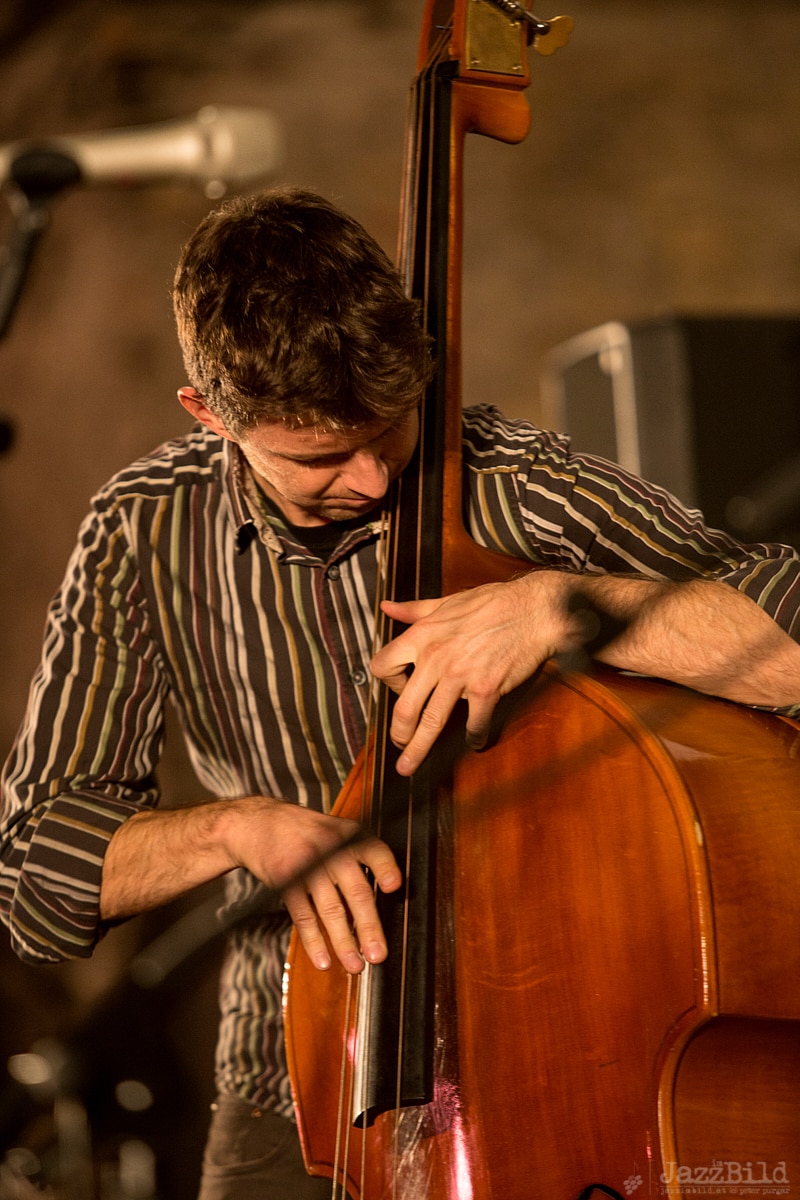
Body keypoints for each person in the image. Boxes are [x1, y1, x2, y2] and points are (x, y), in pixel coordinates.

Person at [2, 186, 800, 1200]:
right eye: (322, 455)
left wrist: (562, 605)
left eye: (388, 428)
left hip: (565, 1049)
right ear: (209, 416)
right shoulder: (141, 531)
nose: (376, 480)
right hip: (297, 1082)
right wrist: (235, 830)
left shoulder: (515, 483)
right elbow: (34, 878)